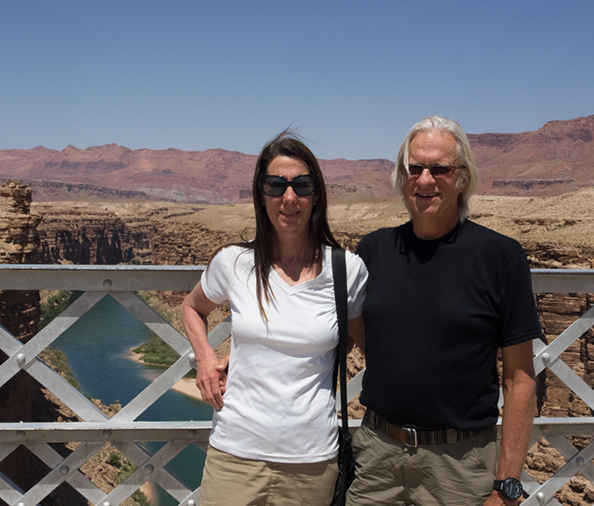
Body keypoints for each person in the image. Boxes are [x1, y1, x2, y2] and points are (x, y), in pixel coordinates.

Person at [347, 116, 541, 506]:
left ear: (463, 177)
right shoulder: (373, 250)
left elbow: (520, 378)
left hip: (460, 467)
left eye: (439, 169)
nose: (424, 180)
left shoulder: (499, 257)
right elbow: (346, 331)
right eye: (414, 168)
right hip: (376, 457)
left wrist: (507, 486)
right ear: (401, 176)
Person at [181, 131, 368, 506]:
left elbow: (360, 341)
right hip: (235, 452)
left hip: (311, 460)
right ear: (260, 194)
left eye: (302, 185)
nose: (289, 197)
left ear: (317, 195)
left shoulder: (346, 270)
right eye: (275, 185)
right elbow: (191, 308)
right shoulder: (234, 262)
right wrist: (204, 359)